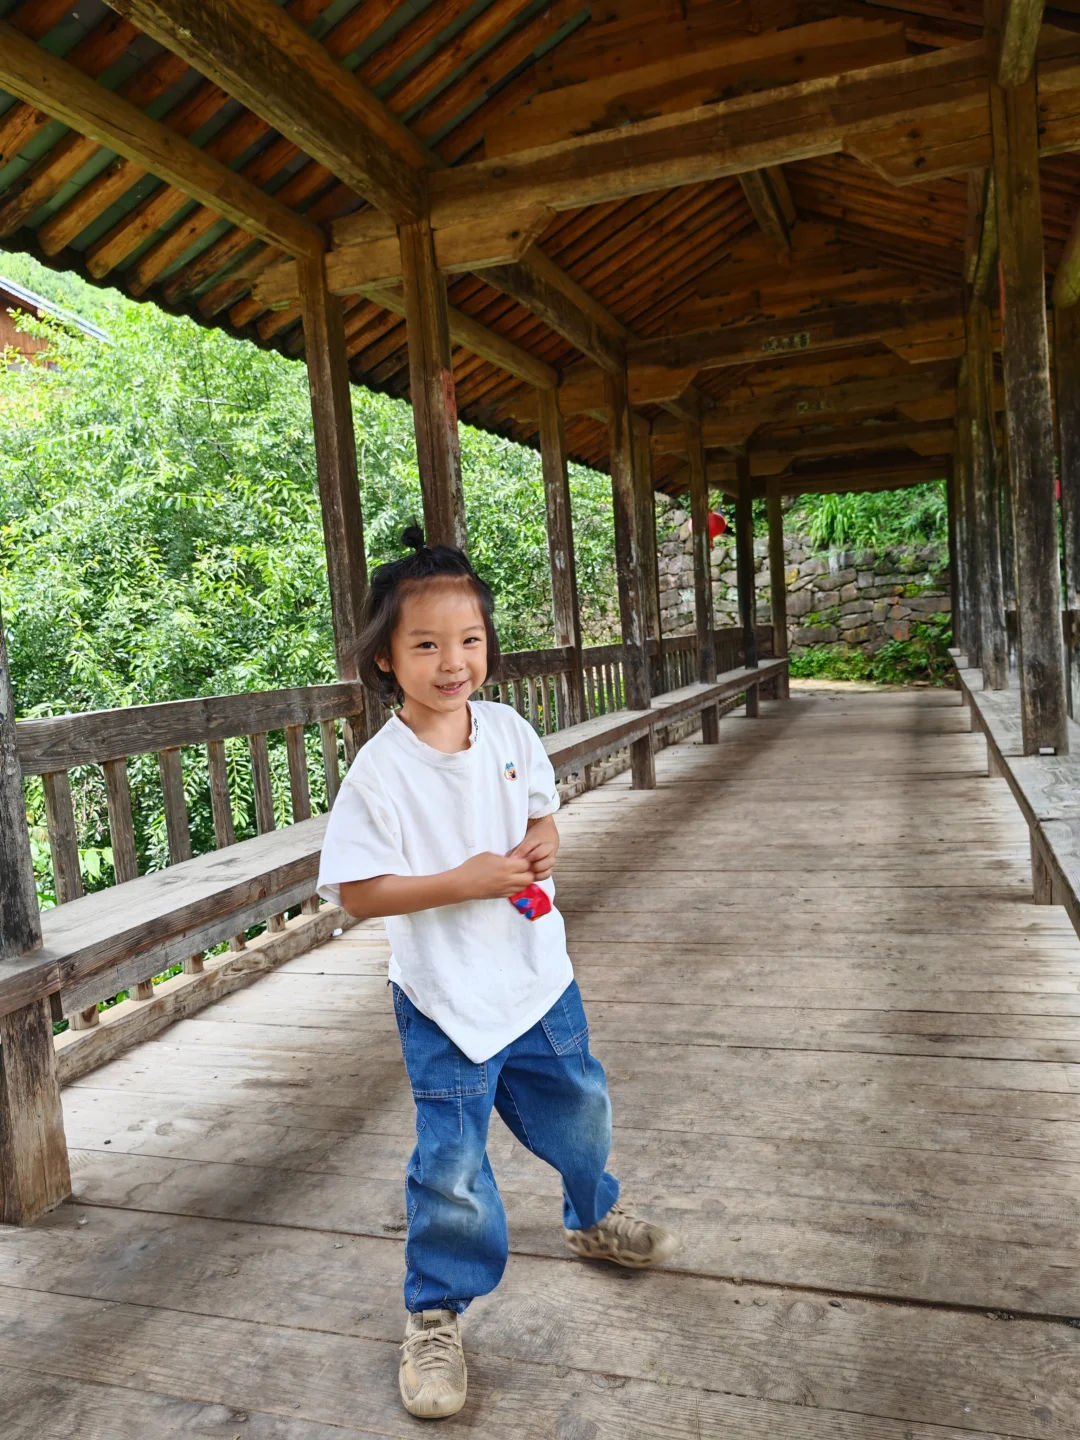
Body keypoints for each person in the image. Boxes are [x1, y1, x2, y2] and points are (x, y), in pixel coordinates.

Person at [317, 527, 677, 1420]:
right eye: (426, 644)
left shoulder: (510, 730)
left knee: (582, 1113)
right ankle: (435, 1313)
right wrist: (466, 880)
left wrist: (540, 841)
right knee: (451, 1165)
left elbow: (540, 811)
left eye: (468, 640)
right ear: (385, 659)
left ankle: (592, 1214)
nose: (452, 662)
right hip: (444, 1001)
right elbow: (358, 891)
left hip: (537, 977)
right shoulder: (381, 772)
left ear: (489, 644)